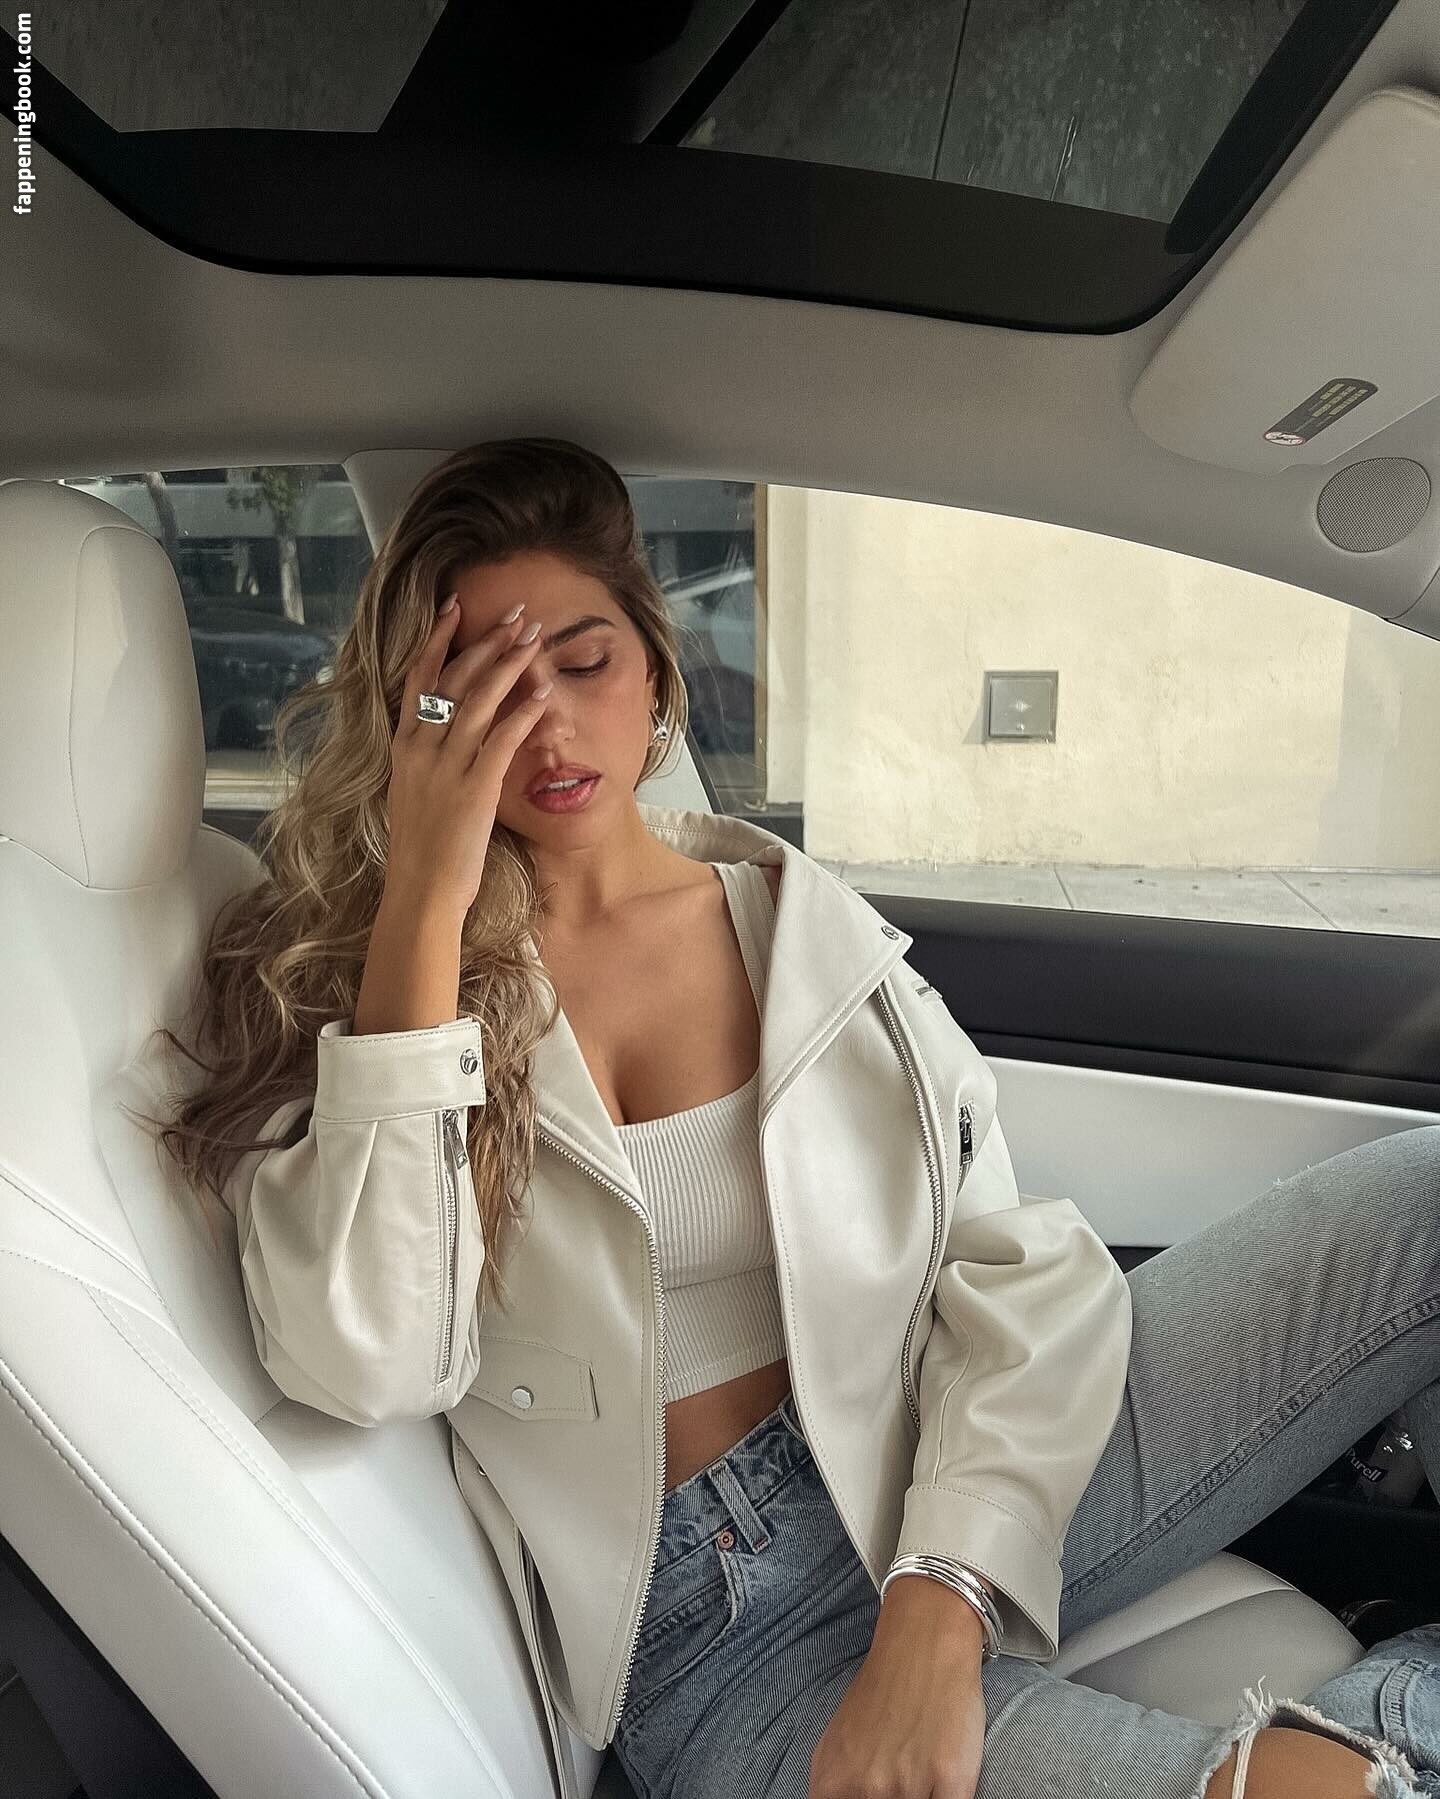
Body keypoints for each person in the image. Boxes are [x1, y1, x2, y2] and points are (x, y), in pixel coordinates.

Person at [135, 438, 1440, 1799]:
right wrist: (425, 896)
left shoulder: (795, 927)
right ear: (420, 725)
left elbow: (1004, 1265)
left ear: (654, 671)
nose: (549, 729)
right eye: (488, 692)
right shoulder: (366, 994)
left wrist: (941, 1598)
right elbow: (372, 1359)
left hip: (947, 1447)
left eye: (582, 663)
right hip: (721, 1634)